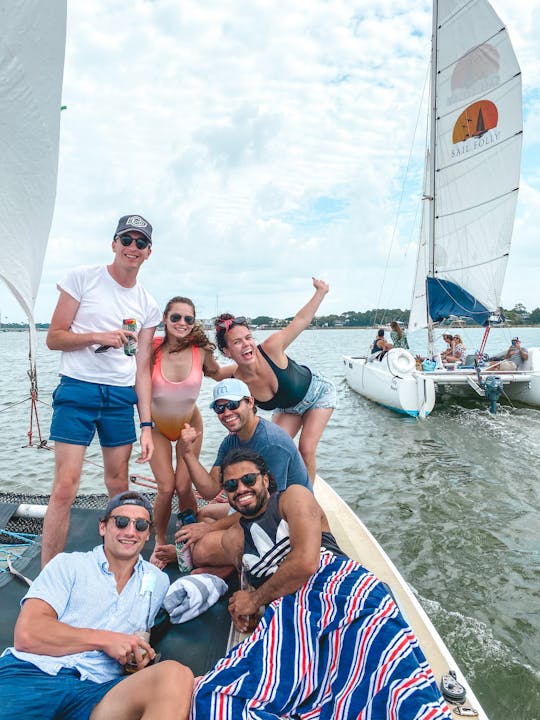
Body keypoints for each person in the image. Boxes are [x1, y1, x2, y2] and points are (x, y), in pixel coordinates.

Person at [191, 449, 452, 720]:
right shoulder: (232, 539)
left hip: (336, 583)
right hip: (289, 612)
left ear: (266, 480)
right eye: (231, 485)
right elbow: (250, 588)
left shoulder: (292, 498)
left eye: (248, 479)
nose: (241, 489)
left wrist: (255, 600)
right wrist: (248, 611)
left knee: (377, 650)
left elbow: (305, 562)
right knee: (220, 694)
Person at [0, 491, 193, 720]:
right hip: (34, 675)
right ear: (103, 527)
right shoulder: (68, 565)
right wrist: (107, 640)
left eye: (140, 525)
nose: (130, 531)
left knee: (176, 675)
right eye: (121, 522)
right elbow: (28, 634)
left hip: (97, 690)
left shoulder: (158, 581)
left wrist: (135, 657)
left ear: (148, 534)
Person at [43, 215, 162, 567]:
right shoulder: (81, 278)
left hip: (119, 399)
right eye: (126, 239)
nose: (132, 247)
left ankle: (124, 568)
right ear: (114, 244)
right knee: (66, 486)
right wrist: (97, 336)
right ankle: (48, 576)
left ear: (148, 253)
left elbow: (142, 368)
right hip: (77, 391)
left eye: (141, 243)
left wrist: (146, 425)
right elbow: (54, 337)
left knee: (119, 486)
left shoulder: (148, 304)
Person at [151, 378, 311, 569]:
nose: (227, 413)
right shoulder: (231, 441)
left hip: (284, 522)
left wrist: (207, 531)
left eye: (233, 405)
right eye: (220, 409)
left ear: (250, 402)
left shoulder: (271, 443)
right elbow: (209, 490)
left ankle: (217, 563)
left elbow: (269, 508)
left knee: (201, 548)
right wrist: (186, 453)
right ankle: (229, 562)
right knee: (205, 513)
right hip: (257, 505)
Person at [214, 277, 336, 481]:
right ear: (226, 351)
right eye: (237, 342)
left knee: (305, 449)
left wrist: (320, 292)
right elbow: (210, 370)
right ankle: (271, 496)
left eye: (248, 337)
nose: (246, 344)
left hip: (317, 394)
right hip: (288, 409)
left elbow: (301, 321)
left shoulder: (270, 348)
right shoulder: (234, 377)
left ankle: (307, 502)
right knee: (268, 451)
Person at [148, 296, 232, 568]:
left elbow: (219, 374)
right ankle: (161, 541)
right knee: (165, 487)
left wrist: (253, 363)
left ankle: (187, 540)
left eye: (188, 319)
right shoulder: (151, 348)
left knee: (184, 487)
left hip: (189, 425)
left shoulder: (201, 351)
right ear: (164, 319)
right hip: (158, 427)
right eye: (176, 317)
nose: (182, 323)